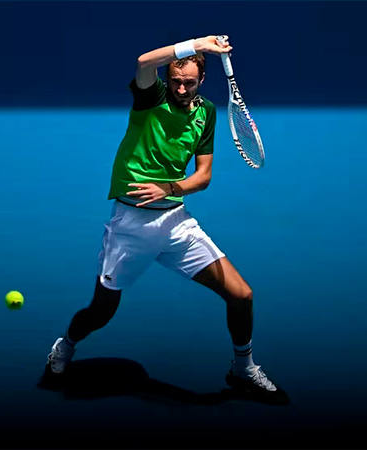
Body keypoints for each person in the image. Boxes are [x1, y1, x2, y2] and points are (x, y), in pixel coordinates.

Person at [45, 35, 285, 399]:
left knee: (241, 295)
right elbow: (144, 62)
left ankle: (243, 369)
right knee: (102, 311)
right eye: (175, 81)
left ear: (202, 80)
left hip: (175, 223)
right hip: (130, 226)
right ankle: (65, 345)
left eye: (189, 82)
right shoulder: (151, 97)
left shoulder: (206, 113)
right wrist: (197, 44)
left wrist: (169, 188)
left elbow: (203, 177)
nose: (181, 88)